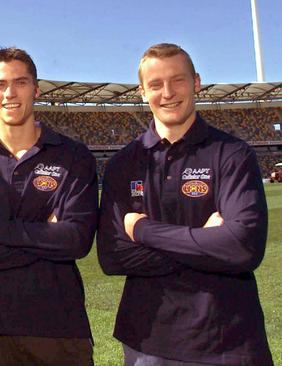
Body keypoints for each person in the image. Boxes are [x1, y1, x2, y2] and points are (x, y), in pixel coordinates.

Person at [97, 43, 273, 365]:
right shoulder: (122, 165)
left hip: (228, 339)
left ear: (196, 82)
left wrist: (144, 229)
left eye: (177, 80)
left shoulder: (232, 154)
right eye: (155, 84)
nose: (167, 92)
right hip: (147, 342)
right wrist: (203, 240)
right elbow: (112, 256)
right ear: (142, 91)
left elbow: (242, 247)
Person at [0, 47, 98, 366]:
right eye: (0, 84)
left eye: (20, 82)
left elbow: (76, 240)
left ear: (36, 89)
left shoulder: (73, 156)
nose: (10, 93)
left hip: (61, 329)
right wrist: (48, 236)